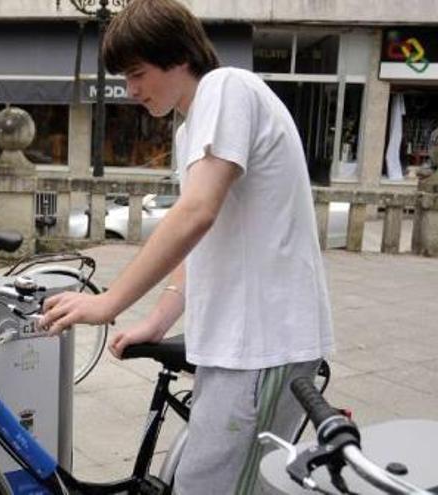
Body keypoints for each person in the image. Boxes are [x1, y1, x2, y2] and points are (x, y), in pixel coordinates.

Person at [39, 1, 333, 493]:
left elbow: (197, 213)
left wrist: (109, 301)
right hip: (237, 347)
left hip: (265, 343)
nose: (131, 91)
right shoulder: (188, 128)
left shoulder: (226, 88)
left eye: (137, 74)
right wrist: (157, 321)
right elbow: (205, 242)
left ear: (180, 57)